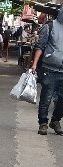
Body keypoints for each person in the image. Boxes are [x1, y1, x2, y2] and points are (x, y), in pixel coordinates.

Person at [31, 7, 63, 135]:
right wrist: (34, 65)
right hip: (49, 69)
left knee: (62, 100)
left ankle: (55, 120)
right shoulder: (50, 26)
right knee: (46, 98)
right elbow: (40, 46)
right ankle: (43, 123)